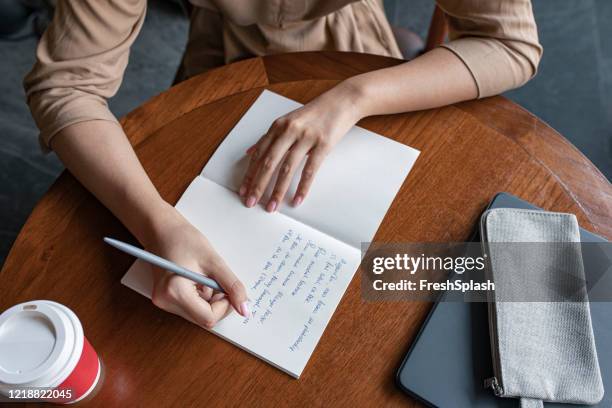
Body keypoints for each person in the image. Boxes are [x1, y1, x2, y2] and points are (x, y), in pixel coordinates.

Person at [23, 0, 542, 328]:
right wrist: (159, 224)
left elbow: (511, 44)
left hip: (355, 57)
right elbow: (67, 86)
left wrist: (354, 97)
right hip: (218, 66)